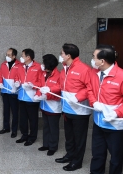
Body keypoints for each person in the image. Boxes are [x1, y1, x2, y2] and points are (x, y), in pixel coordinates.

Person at [55, 43, 91, 171]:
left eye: (62, 53)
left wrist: (78, 97)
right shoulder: (64, 68)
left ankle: (77, 161)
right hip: (66, 109)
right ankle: (69, 155)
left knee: (79, 138)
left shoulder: (84, 69)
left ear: (68, 55)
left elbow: (90, 88)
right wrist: (48, 88)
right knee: (69, 136)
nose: (60, 55)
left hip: (79, 111)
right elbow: (60, 86)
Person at [87, 44, 123, 174]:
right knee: (97, 153)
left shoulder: (121, 76)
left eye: (94, 57)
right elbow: (89, 89)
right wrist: (94, 102)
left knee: (116, 157)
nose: (92, 60)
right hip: (98, 122)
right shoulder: (95, 73)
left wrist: (116, 113)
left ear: (102, 61)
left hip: (115, 126)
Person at [34, 54, 61, 156]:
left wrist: (47, 96)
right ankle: (46, 144)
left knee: (53, 128)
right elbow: (40, 87)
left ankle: (53, 147)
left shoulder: (58, 75)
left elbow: (58, 92)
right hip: (44, 105)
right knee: (46, 126)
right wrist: (38, 95)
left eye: (44, 63)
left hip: (54, 107)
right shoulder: (43, 74)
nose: (42, 65)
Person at [14, 48, 42, 146]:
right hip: (22, 96)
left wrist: (32, 85)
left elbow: (41, 82)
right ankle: (24, 135)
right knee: (23, 118)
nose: (21, 58)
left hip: (32, 98)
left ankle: (32, 137)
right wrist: (16, 81)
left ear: (28, 57)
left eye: (22, 56)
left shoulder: (38, 67)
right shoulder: (20, 67)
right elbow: (17, 76)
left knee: (33, 119)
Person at [0, 48, 20, 138]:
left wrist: (17, 84)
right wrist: (0, 82)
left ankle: (14, 130)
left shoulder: (19, 65)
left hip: (14, 92)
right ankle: (6, 128)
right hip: (5, 91)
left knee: (15, 112)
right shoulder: (3, 64)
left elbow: (20, 77)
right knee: (6, 111)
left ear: (14, 56)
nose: (7, 56)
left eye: (9, 55)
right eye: (6, 54)